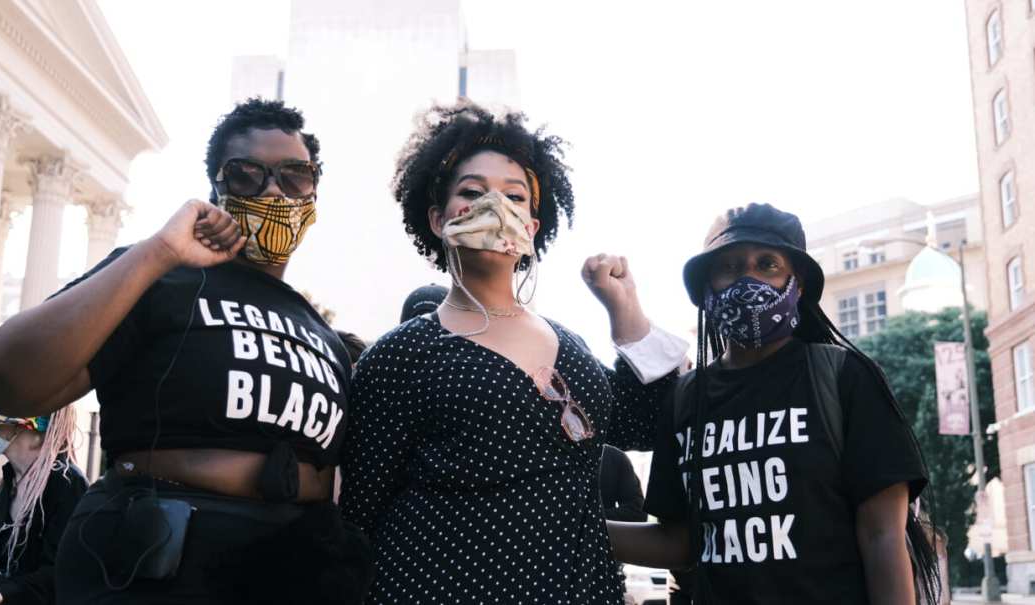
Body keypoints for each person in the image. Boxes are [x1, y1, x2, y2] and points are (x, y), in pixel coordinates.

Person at [0, 98, 372, 604]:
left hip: (295, 569)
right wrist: (158, 252)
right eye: (248, 174)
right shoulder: (162, 277)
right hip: (162, 561)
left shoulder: (319, 328)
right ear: (216, 190)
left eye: (296, 176)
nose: (274, 190)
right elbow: (7, 383)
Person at [340, 101, 688, 604]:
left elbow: (643, 423)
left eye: (514, 196)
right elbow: (360, 510)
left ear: (531, 226)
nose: (494, 206)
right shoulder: (403, 354)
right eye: (472, 192)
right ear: (438, 219)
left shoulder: (571, 345)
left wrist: (624, 309)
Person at [607, 203, 941, 604]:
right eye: (728, 266)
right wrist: (563, 524)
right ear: (706, 288)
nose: (747, 278)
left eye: (767, 264)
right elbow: (680, 541)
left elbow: (882, 534)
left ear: (796, 284)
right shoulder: (685, 400)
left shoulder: (844, 377)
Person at [0, 401, 86, 605]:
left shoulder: (66, 483)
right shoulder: (4, 486)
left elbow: (63, 570)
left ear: (32, 430)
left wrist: (0, 594)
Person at [600, 444, 647, 522]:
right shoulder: (614, 457)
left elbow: (637, 513)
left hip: (597, 530)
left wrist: (593, 517)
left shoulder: (614, 457)